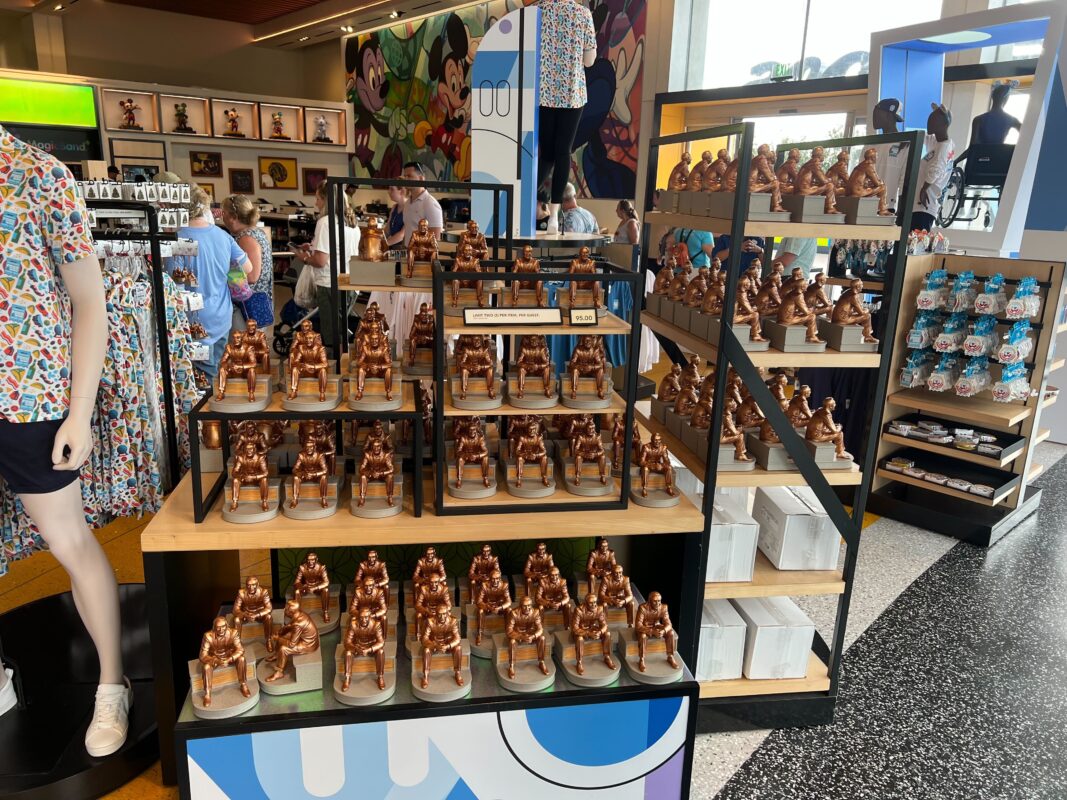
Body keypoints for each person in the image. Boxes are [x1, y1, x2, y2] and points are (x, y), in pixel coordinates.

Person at [0, 125, 130, 755]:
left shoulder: (40, 176)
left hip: (29, 394)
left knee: (69, 540)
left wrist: (80, 410)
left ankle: (112, 682)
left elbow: (89, 300)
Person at [171, 185, 250, 382]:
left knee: (201, 378)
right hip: (222, 317)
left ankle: (209, 398)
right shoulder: (223, 236)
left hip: (194, 320)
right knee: (215, 369)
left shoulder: (178, 238)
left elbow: (172, 283)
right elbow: (247, 267)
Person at [537, 0, 597, 234]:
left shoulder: (539, 11)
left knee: (547, 153)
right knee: (563, 151)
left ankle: (526, 198)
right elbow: (589, 60)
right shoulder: (582, 14)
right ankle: (553, 216)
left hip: (544, 91)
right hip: (572, 92)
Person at [293, 182, 360, 355]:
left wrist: (304, 257)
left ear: (326, 200)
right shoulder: (352, 223)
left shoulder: (325, 222)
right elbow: (338, 250)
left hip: (330, 283)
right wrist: (314, 246)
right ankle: (343, 362)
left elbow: (320, 261)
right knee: (342, 329)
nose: (316, 203)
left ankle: (337, 366)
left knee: (333, 335)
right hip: (350, 282)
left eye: (318, 199)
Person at [221, 194, 273, 337]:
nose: (222, 218)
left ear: (233, 217)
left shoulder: (246, 238)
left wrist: (223, 274)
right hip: (255, 305)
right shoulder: (255, 232)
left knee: (244, 346)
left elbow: (251, 276)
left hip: (247, 307)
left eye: (224, 213)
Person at [912, 103, 956, 232]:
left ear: (944, 124)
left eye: (933, 120)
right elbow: (924, 137)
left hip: (924, 204)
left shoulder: (943, 147)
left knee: (916, 240)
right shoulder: (939, 143)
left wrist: (923, 189)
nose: (929, 123)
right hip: (921, 205)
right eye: (929, 119)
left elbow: (936, 169)